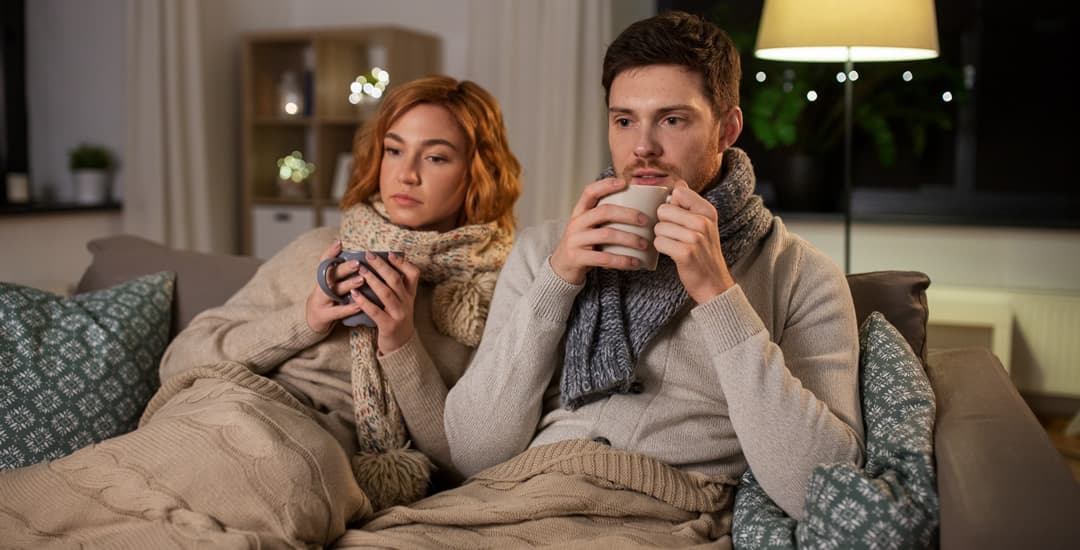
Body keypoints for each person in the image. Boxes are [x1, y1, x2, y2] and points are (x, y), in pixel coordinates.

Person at [0, 76, 522, 547]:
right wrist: (309, 317)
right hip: (231, 404)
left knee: (284, 479)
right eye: (393, 150)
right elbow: (180, 360)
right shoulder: (320, 247)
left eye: (435, 157)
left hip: (317, 452)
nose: (405, 174)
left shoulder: (482, 295)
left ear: (477, 173)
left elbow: (458, 458)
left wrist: (400, 339)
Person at [438, 9, 862, 534]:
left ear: (726, 128)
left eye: (672, 119)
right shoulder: (546, 250)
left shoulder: (801, 274)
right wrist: (559, 278)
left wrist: (718, 294)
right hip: (510, 502)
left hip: (660, 517)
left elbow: (823, 489)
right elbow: (473, 451)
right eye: (624, 120)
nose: (642, 146)